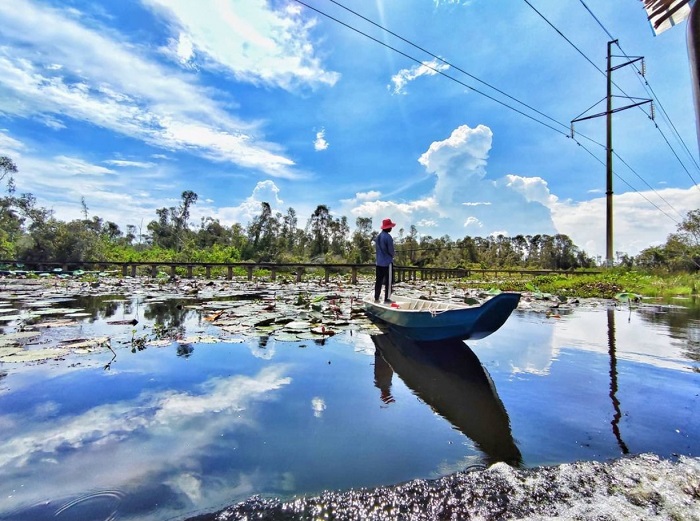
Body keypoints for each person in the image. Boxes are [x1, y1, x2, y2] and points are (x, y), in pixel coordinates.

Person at [374, 218, 396, 303]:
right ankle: (387, 298)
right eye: (390, 227)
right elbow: (391, 251)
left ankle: (376, 297)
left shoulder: (378, 237)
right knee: (388, 281)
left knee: (378, 281)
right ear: (387, 228)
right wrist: (394, 254)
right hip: (387, 263)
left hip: (379, 263)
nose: (391, 228)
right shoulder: (388, 237)